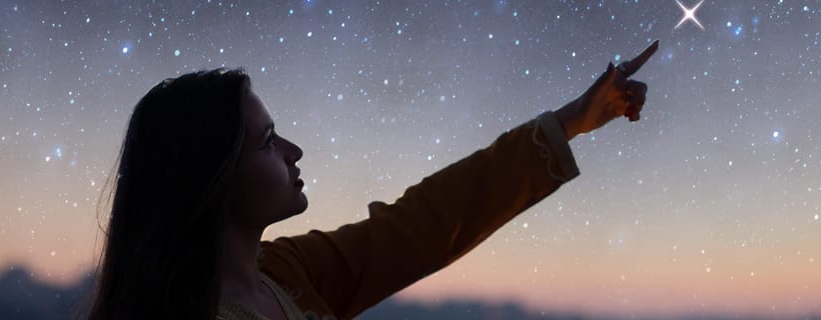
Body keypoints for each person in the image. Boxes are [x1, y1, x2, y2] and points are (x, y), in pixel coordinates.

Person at [84, 41, 659, 320]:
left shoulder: (284, 274)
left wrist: (573, 121)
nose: (293, 152)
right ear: (211, 179)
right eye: (266, 141)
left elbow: (421, 225)